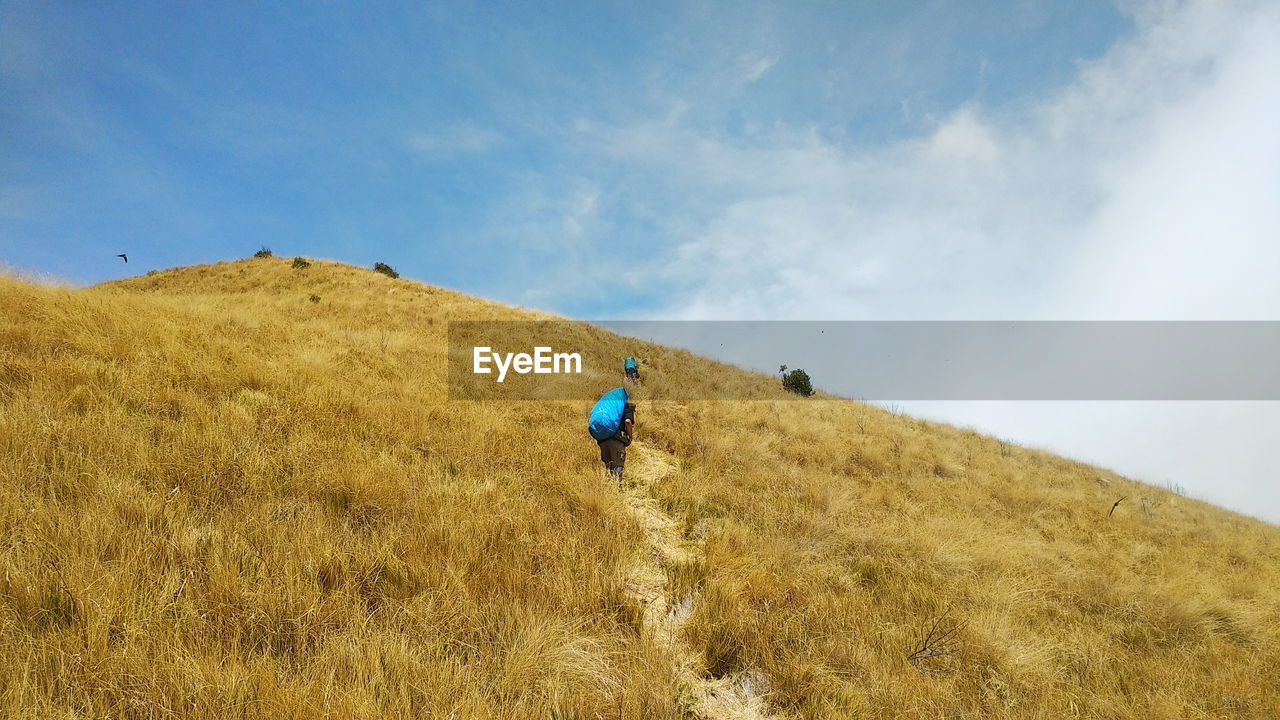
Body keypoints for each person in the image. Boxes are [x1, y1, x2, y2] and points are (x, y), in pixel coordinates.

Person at [599, 401, 636, 484]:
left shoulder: (608, 409)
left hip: (603, 440)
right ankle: (617, 488)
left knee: (608, 466)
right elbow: (627, 422)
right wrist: (630, 437)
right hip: (616, 440)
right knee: (618, 465)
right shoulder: (626, 407)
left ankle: (608, 487)